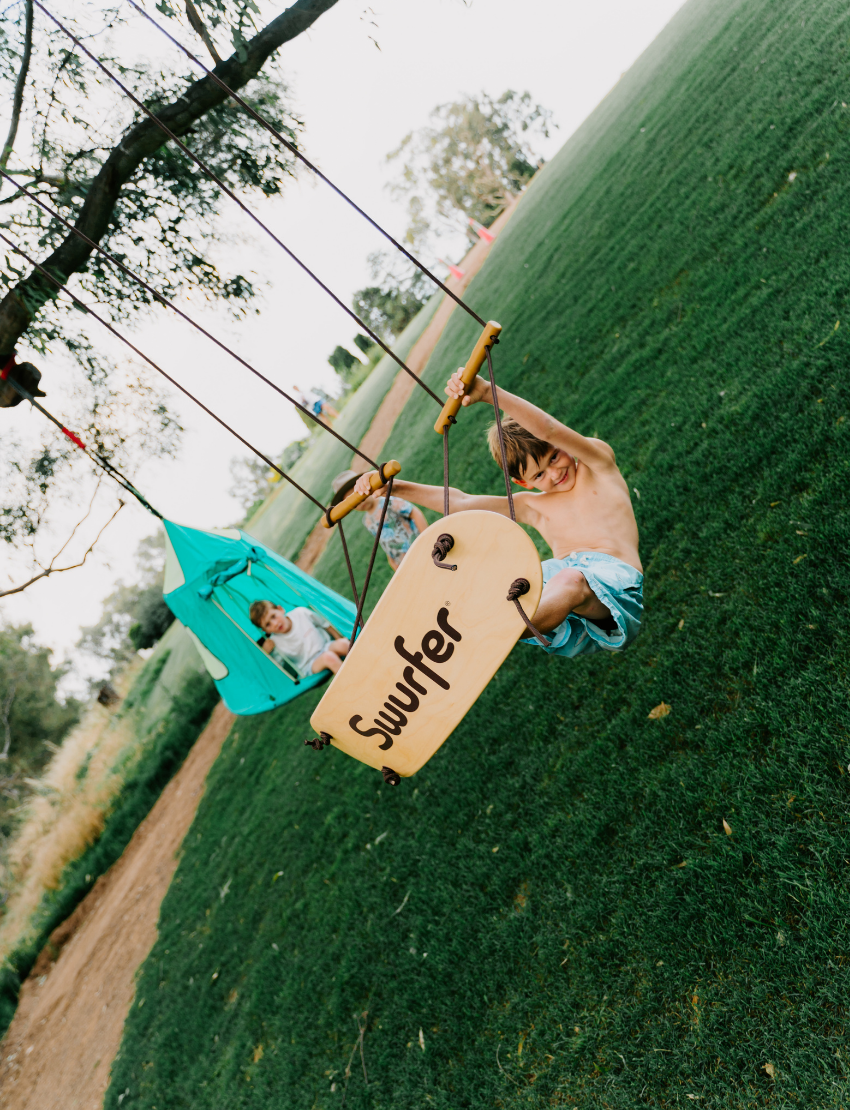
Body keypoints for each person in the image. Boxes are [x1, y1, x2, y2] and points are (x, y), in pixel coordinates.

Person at [352, 368, 643, 659]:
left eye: (555, 455)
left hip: (615, 587)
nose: (555, 473)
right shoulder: (534, 506)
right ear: (523, 482)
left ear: (562, 445)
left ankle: (494, 629)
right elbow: (463, 502)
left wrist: (489, 393)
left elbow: (548, 429)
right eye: (540, 474)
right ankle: (467, 625)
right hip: (561, 602)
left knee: (570, 580)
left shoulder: (598, 466)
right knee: (506, 578)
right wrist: (398, 487)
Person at [331, 469, 428, 571]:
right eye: (354, 503)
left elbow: (414, 512)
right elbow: (384, 540)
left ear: (367, 486)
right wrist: (392, 561)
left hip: (420, 547)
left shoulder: (387, 501)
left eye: (358, 495)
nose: (359, 502)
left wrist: (427, 537)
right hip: (404, 561)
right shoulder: (367, 521)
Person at [248, 599, 350, 675]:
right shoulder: (274, 643)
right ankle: (353, 686)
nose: (275, 623)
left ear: (280, 609)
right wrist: (267, 654)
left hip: (326, 646)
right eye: (268, 625)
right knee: (329, 657)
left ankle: (364, 666)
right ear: (265, 631)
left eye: (273, 616)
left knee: (344, 643)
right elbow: (279, 670)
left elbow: (325, 624)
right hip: (309, 664)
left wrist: (338, 638)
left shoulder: (301, 613)